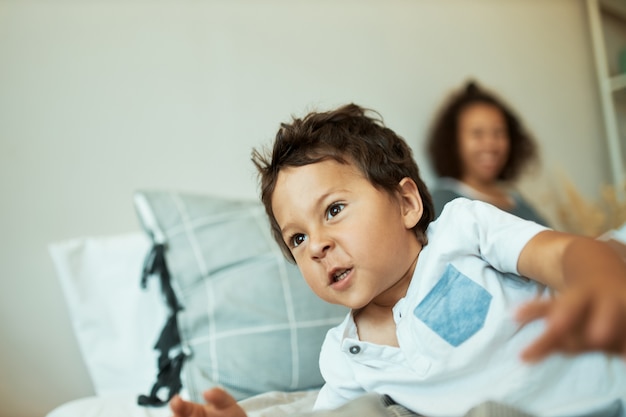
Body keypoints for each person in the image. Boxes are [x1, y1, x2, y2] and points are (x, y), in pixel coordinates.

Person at [170, 104, 626, 417]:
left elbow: (560, 252)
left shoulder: (463, 233)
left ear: (406, 204)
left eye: (333, 210)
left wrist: (596, 273)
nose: (316, 245)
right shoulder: (347, 356)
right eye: (297, 238)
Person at [426, 80, 548, 225]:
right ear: (454, 142)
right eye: (477, 134)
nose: (490, 144)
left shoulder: (518, 202)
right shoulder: (445, 202)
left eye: (498, 133)